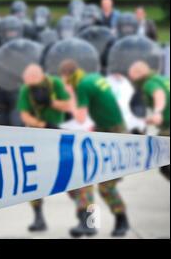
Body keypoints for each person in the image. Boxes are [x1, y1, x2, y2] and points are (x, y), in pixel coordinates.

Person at [59, 59, 130, 237]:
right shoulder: (93, 77)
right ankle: (88, 222)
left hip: (114, 138)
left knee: (105, 185)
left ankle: (121, 220)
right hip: (107, 132)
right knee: (82, 178)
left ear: (67, 76)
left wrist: (70, 94)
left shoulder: (82, 85)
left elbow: (80, 118)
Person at [17, 64, 71, 232]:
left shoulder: (55, 83)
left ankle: (85, 216)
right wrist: (42, 124)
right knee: (35, 178)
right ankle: (38, 217)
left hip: (60, 133)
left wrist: (51, 102)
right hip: (39, 135)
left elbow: (67, 105)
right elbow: (24, 115)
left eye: (34, 82)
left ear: (41, 76)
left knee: (72, 174)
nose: (31, 85)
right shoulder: (26, 89)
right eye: (29, 82)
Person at [128, 61, 170, 180]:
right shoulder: (161, 79)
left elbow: (159, 94)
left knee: (165, 164)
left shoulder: (149, 83)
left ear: (138, 73)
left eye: (131, 76)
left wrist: (157, 112)